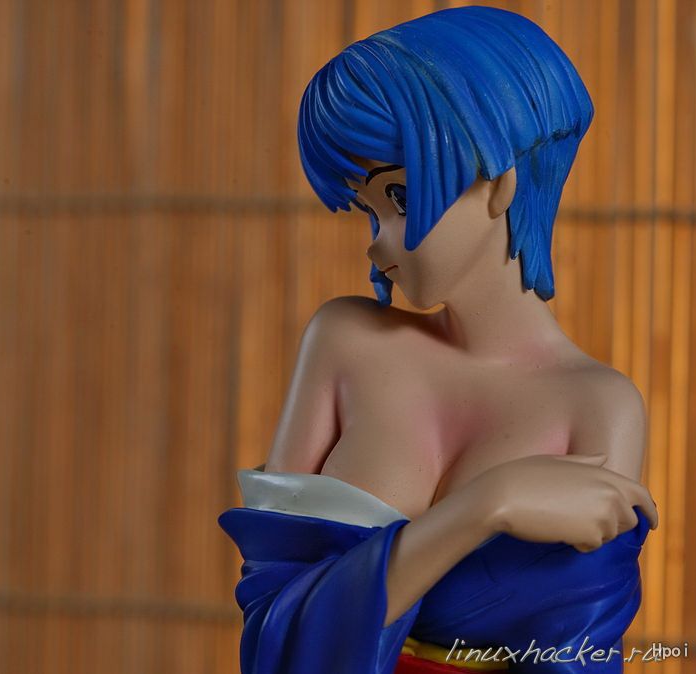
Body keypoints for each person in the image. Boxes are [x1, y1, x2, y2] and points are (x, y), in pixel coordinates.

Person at [219, 7, 658, 673]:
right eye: (368, 209)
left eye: (399, 196)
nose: (377, 242)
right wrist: (484, 508)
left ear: (501, 183)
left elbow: (576, 654)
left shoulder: (599, 406)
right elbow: (273, 631)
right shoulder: (344, 341)